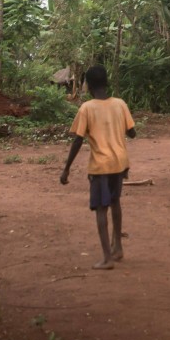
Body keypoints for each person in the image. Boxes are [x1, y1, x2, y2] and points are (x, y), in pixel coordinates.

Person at [60, 65, 136, 269]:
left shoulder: (87, 108)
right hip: (119, 163)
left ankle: (106, 258)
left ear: (89, 86)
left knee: (101, 209)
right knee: (115, 203)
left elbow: (77, 140)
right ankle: (117, 247)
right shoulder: (120, 104)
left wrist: (66, 168)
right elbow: (132, 133)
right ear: (106, 82)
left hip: (100, 166)